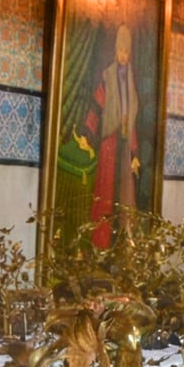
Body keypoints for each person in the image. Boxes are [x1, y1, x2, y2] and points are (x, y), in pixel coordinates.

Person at [75, 24, 141, 248]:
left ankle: (124, 246)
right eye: (120, 51)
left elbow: (131, 119)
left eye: (126, 51)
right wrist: (86, 132)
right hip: (109, 143)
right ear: (115, 51)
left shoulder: (130, 80)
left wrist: (134, 153)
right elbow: (96, 107)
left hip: (124, 145)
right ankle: (100, 243)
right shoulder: (107, 76)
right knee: (104, 194)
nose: (123, 55)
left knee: (125, 197)